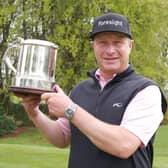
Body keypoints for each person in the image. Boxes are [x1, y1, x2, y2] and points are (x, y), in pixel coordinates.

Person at [17, 12, 167, 168]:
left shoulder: (146, 90)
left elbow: (124, 145)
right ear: (93, 46)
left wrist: (70, 110)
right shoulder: (80, 90)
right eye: (102, 43)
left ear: (130, 46)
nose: (110, 50)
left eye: (118, 43)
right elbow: (62, 137)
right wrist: (34, 113)